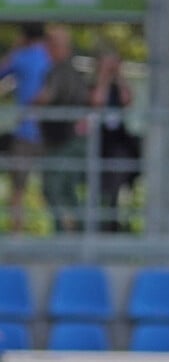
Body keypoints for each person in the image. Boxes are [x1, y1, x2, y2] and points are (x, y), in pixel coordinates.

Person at [32, 27, 90, 233]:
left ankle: (68, 235)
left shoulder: (58, 71)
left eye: (49, 45)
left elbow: (44, 97)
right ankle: (76, 235)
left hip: (65, 143)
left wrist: (30, 108)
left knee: (54, 188)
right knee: (66, 190)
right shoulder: (74, 72)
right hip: (68, 141)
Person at [0, 22, 51, 232]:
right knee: (54, 188)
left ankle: (16, 236)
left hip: (27, 134)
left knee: (18, 189)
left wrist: (15, 48)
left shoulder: (22, 57)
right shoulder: (51, 57)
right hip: (52, 134)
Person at [88, 48, 140, 232]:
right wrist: (103, 76)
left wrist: (118, 75)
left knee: (116, 183)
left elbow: (128, 100)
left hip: (118, 140)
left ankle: (113, 223)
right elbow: (97, 101)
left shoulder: (118, 86)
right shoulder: (93, 84)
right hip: (100, 140)